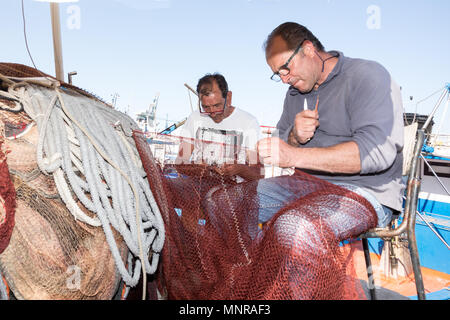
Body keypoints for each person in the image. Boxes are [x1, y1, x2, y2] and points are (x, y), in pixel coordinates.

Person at [256, 22, 405, 230]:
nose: (284, 79)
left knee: (294, 227)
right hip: (304, 186)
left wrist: (294, 155)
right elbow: (280, 144)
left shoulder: (367, 75)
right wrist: (294, 138)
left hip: (364, 191)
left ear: (308, 49)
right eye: (278, 74)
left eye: (285, 68)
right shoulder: (293, 93)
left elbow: (377, 153)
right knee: (227, 203)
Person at [176, 73, 262, 182]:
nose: (212, 113)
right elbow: (180, 163)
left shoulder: (249, 122)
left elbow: (259, 174)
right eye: (206, 107)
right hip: (198, 190)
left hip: (235, 194)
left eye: (217, 106)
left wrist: (239, 169)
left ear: (229, 98)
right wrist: (199, 168)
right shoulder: (194, 118)